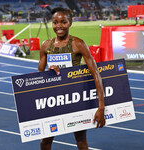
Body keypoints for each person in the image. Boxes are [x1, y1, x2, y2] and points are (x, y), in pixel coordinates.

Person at [38, 7, 105, 150]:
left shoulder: (78, 44)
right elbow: (39, 76)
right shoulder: (45, 46)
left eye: (63, 22)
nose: (59, 26)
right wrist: (49, 72)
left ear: (70, 23)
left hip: (74, 99)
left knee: (81, 141)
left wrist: (101, 107)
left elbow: (96, 74)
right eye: (55, 22)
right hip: (54, 100)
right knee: (45, 141)